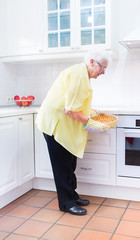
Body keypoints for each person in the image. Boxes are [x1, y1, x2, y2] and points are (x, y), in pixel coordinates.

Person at [36, 48, 112, 216]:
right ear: (92, 62)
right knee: (62, 165)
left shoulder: (82, 74)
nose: (103, 72)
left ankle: (73, 196)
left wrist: (92, 112)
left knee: (70, 162)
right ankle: (66, 203)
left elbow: (76, 103)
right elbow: (70, 110)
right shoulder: (78, 74)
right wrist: (92, 123)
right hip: (55, 125)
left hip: (64, 124)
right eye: (103, 68)